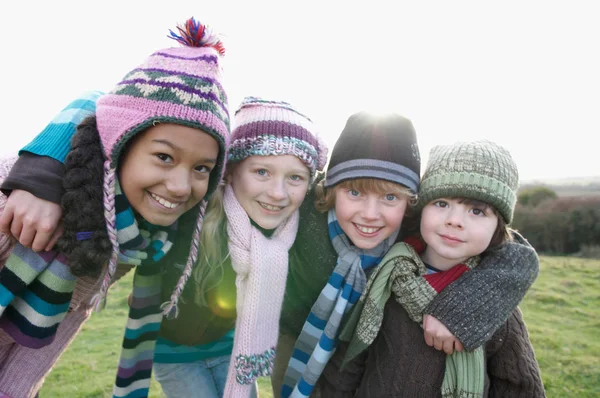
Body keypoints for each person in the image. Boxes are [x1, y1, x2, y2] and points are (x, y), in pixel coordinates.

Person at [1, 95, 328, 398]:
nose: (277, 193)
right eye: (261, 171)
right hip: (178, 355)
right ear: (228, 171)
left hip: (231, 350)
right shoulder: (188, 210)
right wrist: (38, 177)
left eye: (295, 178)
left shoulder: (291, 226)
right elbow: (101, 105)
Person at [0, 17, 230, 398]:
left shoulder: (132, 236)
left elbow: (63, 320)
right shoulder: (20, 196)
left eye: (202, 168)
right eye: (164, 157)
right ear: (119, 146)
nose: (180, 186)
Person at [274, 114, 540, 398]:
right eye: (354, 192)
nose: (370, 214)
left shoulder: (418, 239)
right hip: (294, 346)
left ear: (411, 203)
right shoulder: (308, 214)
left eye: (390, 197)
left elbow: (517, 255)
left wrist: (465, 308)